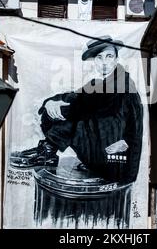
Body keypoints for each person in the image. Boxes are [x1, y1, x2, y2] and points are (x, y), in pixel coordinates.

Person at [11, 36, 144, 184]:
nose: (104, 62)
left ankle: (48, 151)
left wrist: (128, 175)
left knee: (75, 113)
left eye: (109, 56)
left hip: (114, 159)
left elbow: (136, 129)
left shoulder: (123, 85)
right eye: (99, 58)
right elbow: (75, 96)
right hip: (98, 151)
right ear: (95, 61)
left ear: (116, 59)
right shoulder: (101, 84)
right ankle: (47, 150)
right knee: (71, 108)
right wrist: (50, 103)